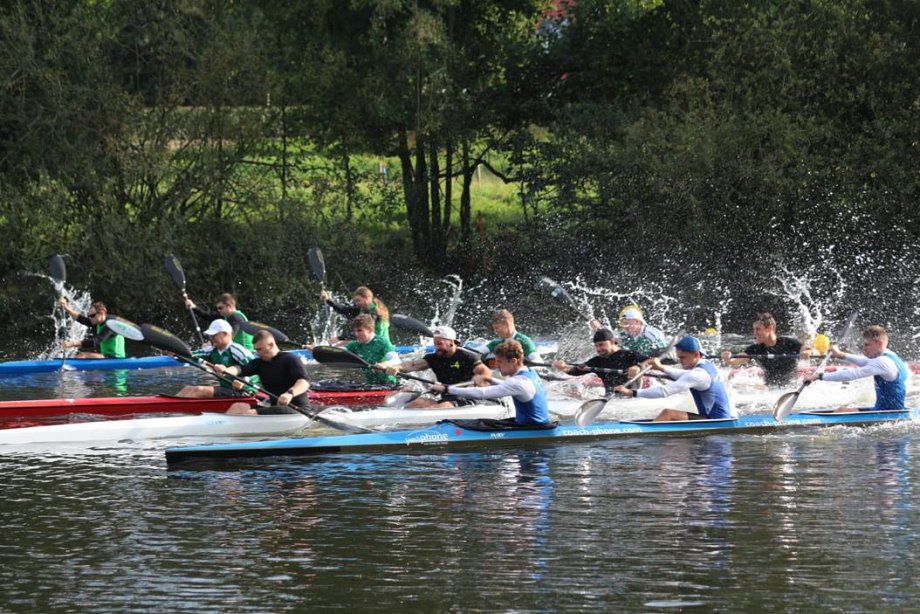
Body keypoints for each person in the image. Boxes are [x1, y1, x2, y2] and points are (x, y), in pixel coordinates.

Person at [614, 335, 734, 421]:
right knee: (668, 414)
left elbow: (665, 391)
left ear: (696, 354)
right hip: (719, 417)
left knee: (668, 414)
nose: (680, 361)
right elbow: (683, 375)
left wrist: (631, 392)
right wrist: (661, 368)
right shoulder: (707, 364)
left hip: (715, 420)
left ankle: (645, 441)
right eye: (678, 357)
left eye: (682, 358)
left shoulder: (697, 375)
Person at [429, 340, 550, 426]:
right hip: (530, 424)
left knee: (476, 424)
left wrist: (447, 389)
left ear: (513, 361)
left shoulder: (519, 383)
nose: (496, 366)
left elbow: (482, 393)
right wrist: (490, 379)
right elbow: (507, 385)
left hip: (532, 428)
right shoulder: (530, 373)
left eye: (500, 362)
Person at [803, 325, 908, 412]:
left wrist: (818, 376)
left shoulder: (882, 362)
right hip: (886, 410)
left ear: (880, 343)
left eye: (867, 345)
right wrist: (841, 354)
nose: (864, 349)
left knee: (841, 411)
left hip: (888, 412)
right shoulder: (890, 355)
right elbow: (866, 361)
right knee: (841, 410)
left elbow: (851, 374)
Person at [387, 325, 492, 408]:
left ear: (451, 342)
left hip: (467, 399)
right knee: (412, 404)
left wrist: (479, 379)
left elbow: (486, 373)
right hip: (447, 398)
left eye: (439, 344)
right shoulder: (434, 358)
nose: (436, 347)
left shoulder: (467, 356)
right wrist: (397, 367)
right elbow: (412, 365)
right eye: (435, 344)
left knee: (441, 407)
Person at [212, 330, 310, 415]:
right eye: (256, 350)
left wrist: (290, 394)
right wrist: (226, 370)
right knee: (238, 406)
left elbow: (304, 382)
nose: (258, 353)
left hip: (297, 409)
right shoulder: (259, 363)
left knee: (249, 414)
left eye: (260, 349)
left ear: (271, 345)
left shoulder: (290, 359)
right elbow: (241, 369)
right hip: (275, 407)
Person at [721, 312, 809, 387]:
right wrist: (729, 359)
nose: (755, 333)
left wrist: (805, 352)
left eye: (758, 329)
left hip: (792, 386)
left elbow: (805, 348)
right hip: (768, 389)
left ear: (770, 328)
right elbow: (737, 361)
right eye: (754, 330)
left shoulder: (788, 343)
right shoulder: (755, 349)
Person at [176, 319, 255, 398]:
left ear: (225, 334)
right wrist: (175, 352)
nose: (211, 338)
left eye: (214, 335)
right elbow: (190, 355)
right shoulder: (212, 350)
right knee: (188, 389)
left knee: (198, 390)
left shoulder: (237, 350)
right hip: (227, 390)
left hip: (245, 391)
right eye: (210, 336)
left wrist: (244, 382)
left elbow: (256, 368)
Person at [553, 328, 647, 394]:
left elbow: (651, 361)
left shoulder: (630, 354)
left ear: (612, 341)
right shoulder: (597, 361)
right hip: (612, 400)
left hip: (633, 398)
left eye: (601, 345)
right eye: (596, 346)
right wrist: (563, 367)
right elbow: (576, 371)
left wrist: (639, 367)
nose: (598, 349)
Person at [59, 298, 125, 359]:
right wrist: (67, 308)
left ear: (101, 313)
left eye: (92, 316)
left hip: (115, 358)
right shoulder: (98, 321)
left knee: (82, 355)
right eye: (89, 316)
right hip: (106, 356)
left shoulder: (112, 324)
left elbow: (96, 341)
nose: (90, 318)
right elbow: (81, 319)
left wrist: (72, 343)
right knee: (81, 355)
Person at [321, 286, 391, 343]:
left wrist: (339, 338)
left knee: (344, 343)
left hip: (380, 346)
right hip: (370, 342)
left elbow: (363, 331)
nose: (357, 303)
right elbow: (343, 309)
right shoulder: (361, 310)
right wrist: (328, 300)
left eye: (358, 300)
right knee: (344, 343)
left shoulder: (374, 312)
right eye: (355, 301)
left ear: (367, 298)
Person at [345, 314, 400, 386]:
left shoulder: (381, 342)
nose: (356, 334)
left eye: (359, 330)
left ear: (370, 330)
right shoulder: (354, 345)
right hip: (370, 384)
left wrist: (384, 364)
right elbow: (339, 351)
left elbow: (396, 360)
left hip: (388, 383)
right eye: (355, 331)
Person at [185, 292, 254, 350]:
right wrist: (194, 307)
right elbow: (208, 317)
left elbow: (229, 336)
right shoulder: (226, 316)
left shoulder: (236, 317)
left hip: (246, 352)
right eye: (217, 308)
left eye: (220, 308)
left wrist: (211, 344)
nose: (218, 310)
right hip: (235, 349)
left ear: (229, 306)